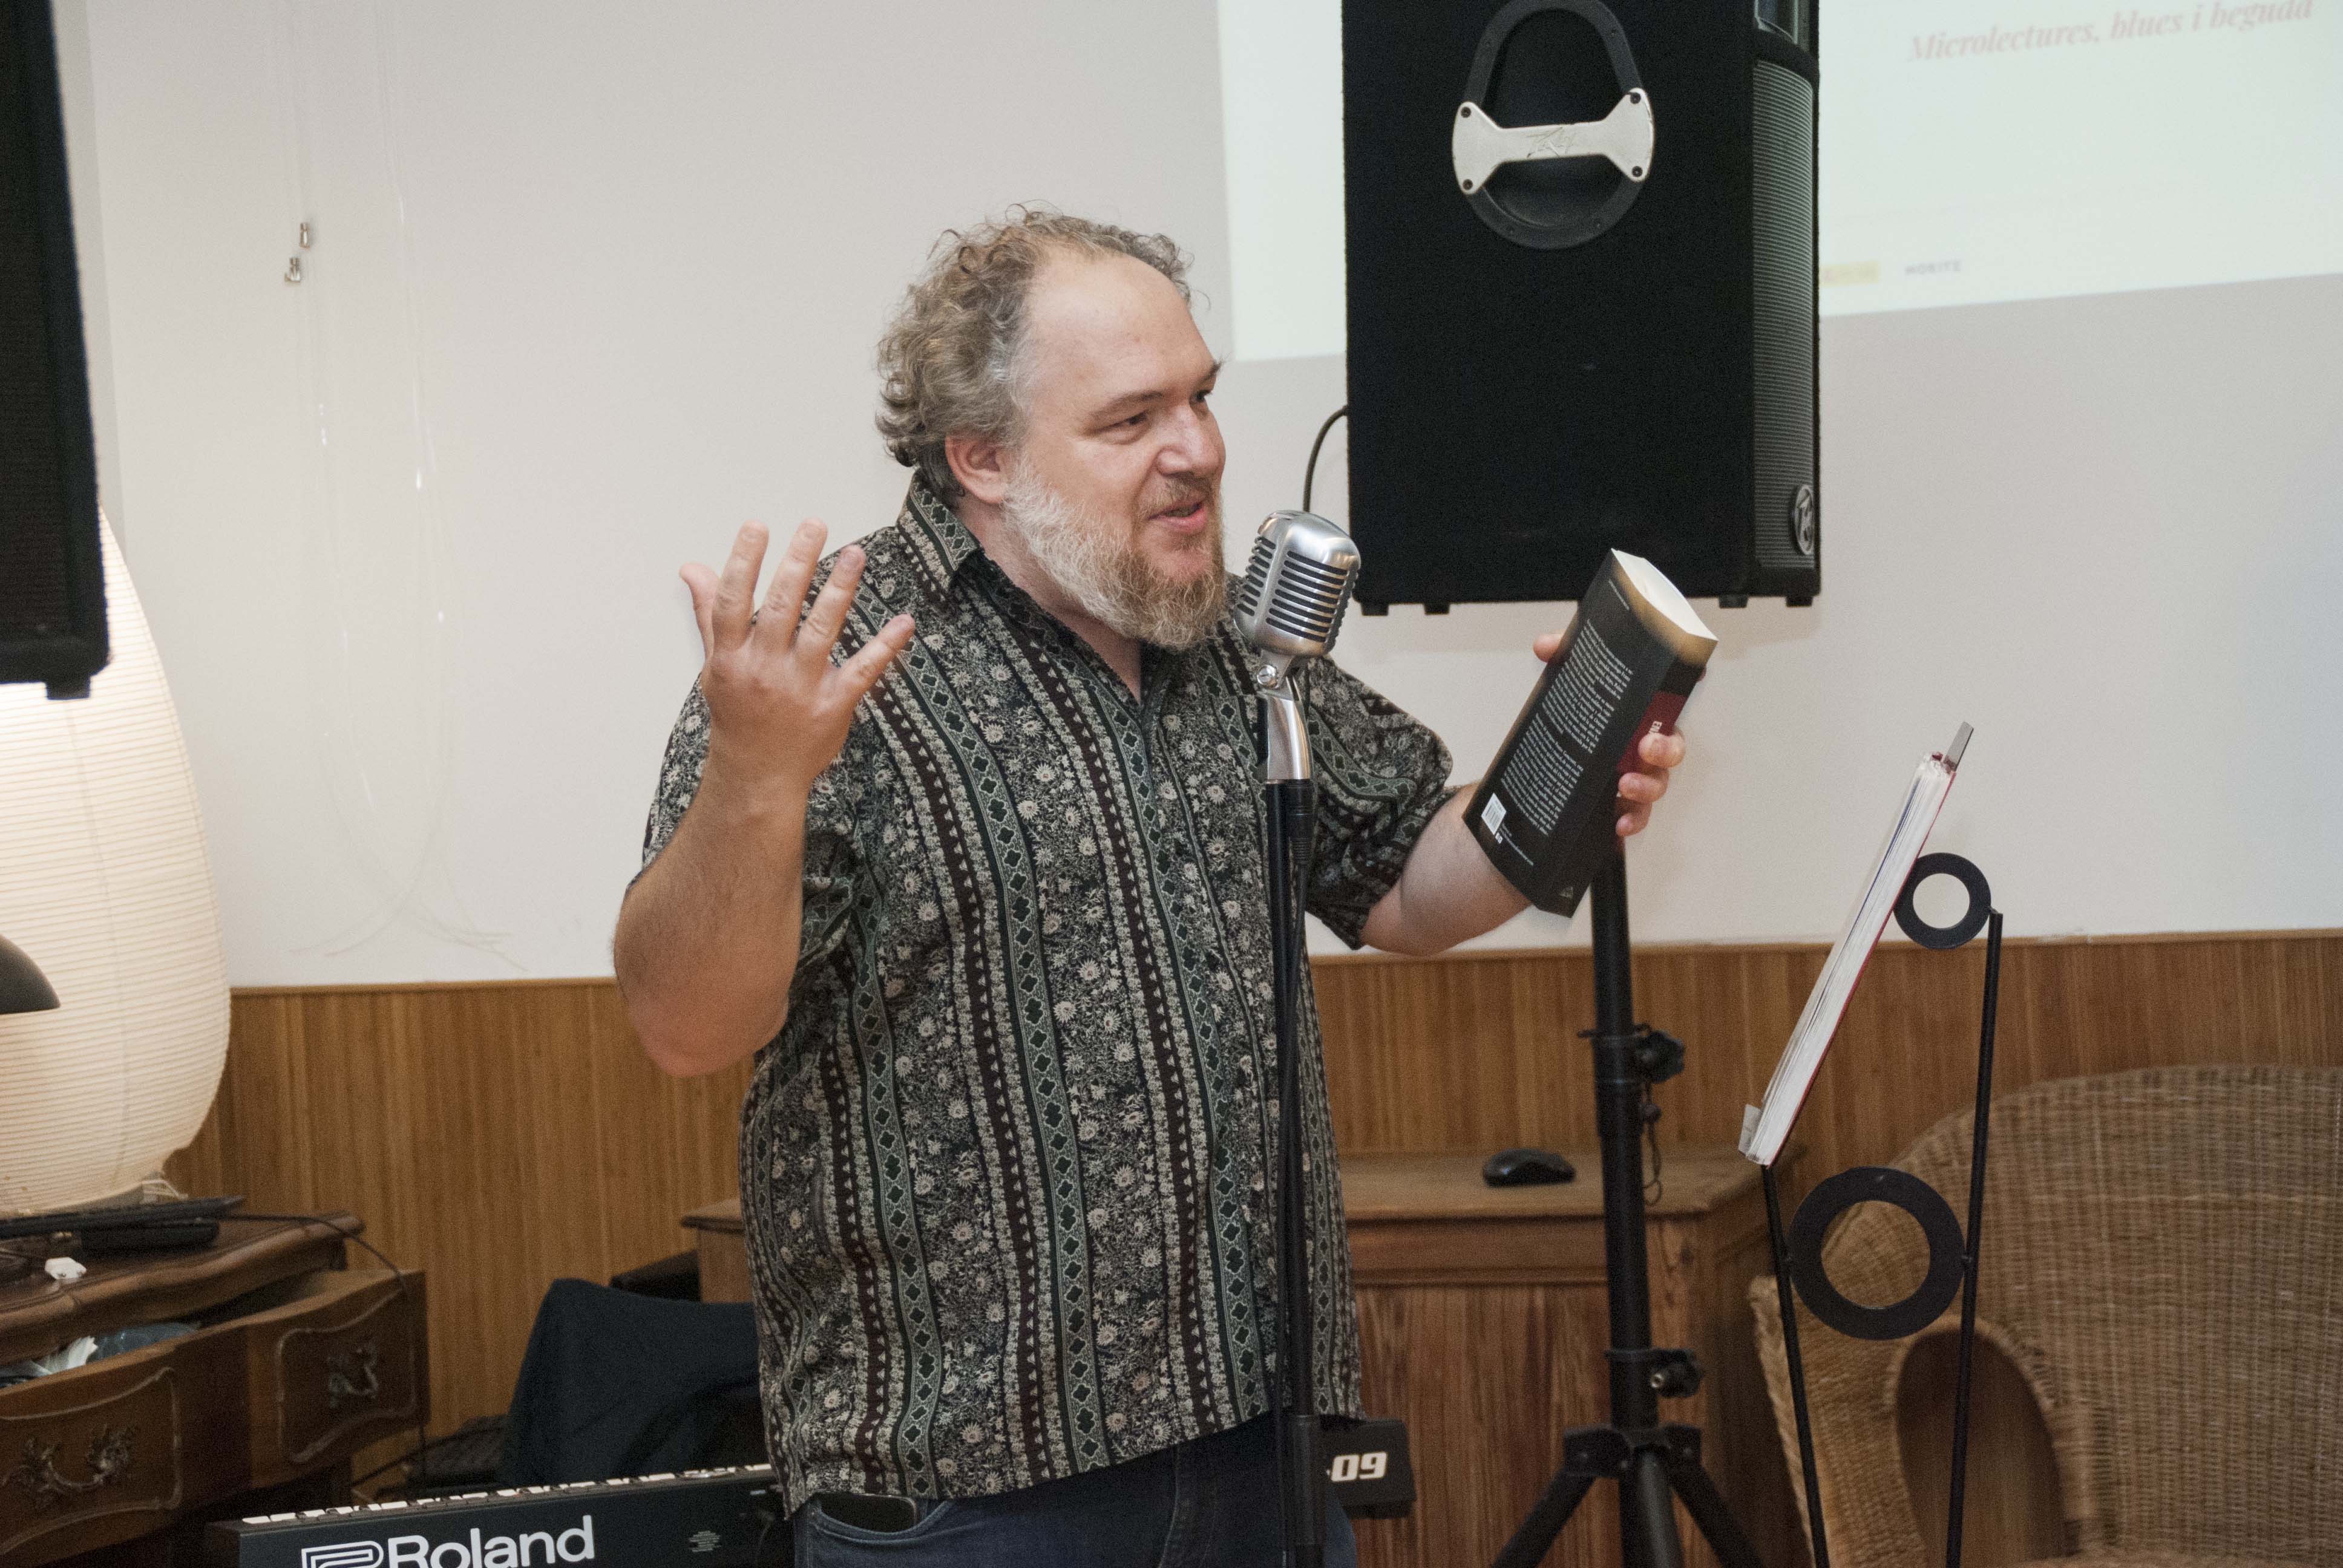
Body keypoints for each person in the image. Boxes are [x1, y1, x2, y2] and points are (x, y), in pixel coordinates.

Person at [612, 209, 1685, 1567]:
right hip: (975, 1501)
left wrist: (1570, 772)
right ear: (983, 457)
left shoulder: (1231, 642)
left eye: (1201, 399)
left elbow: (1406, 885)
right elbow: (685, 1026)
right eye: (1132, 420)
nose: (1199, 451)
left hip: (1263, 1455)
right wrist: (757, 781)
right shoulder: (832, 668)